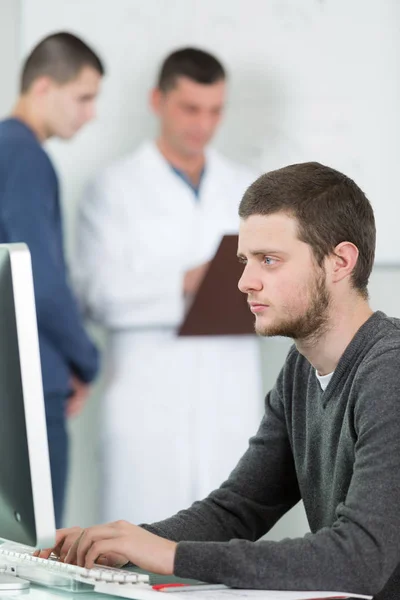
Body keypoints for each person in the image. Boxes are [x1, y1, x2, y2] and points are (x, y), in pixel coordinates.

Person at [41, 162, 400, 597]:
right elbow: (237, 510)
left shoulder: (389, 371)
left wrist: (170, 557)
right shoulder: (300, 371)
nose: (246, 282)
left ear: (340, 261)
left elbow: (358, 559)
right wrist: (121, 546)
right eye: (245, 261)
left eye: (270, 260)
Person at [73, 47, 263, 524]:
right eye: (190, 108)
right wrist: (186, 283)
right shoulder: (113, 188)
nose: (203, 124)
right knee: (136, 558)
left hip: (228, 402)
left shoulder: (250, 190)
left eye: (215, 110)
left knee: (231, 560)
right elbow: (97, 295)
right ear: (158, 100)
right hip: (147, 403)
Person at [0, 32, 104, 526]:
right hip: (27, 386)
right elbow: (37, 274)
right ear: (43, 87)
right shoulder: (24, 154)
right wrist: (86, 359)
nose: (91, 113)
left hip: (14, 380)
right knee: (34, 548)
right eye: (83, 97)